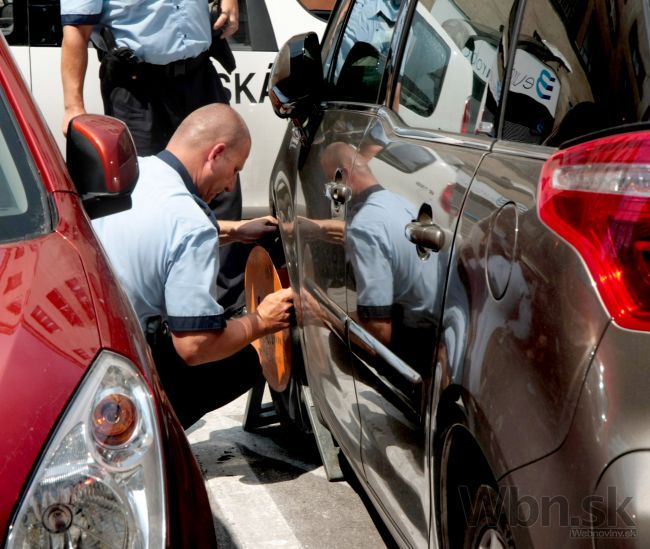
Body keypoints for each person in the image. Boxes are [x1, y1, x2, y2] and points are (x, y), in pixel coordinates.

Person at [92, 104, 294, 428]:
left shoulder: (135, 173)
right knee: (246, 357)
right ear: (216, 154)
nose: (231, 185)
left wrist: (234, 231)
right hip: (123, 370)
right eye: (236, 170)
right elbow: (194, 348)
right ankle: (156, 427)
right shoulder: (191, 225)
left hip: (90, 338)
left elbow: (159, 233)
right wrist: (261, 321)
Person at [60, 0, 248, 315]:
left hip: (198, 75)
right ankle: (156, 317)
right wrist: (73, 109)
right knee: (146, 200)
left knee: (223, 188)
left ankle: (224, 310)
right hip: (137, 87)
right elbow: (77, 31)